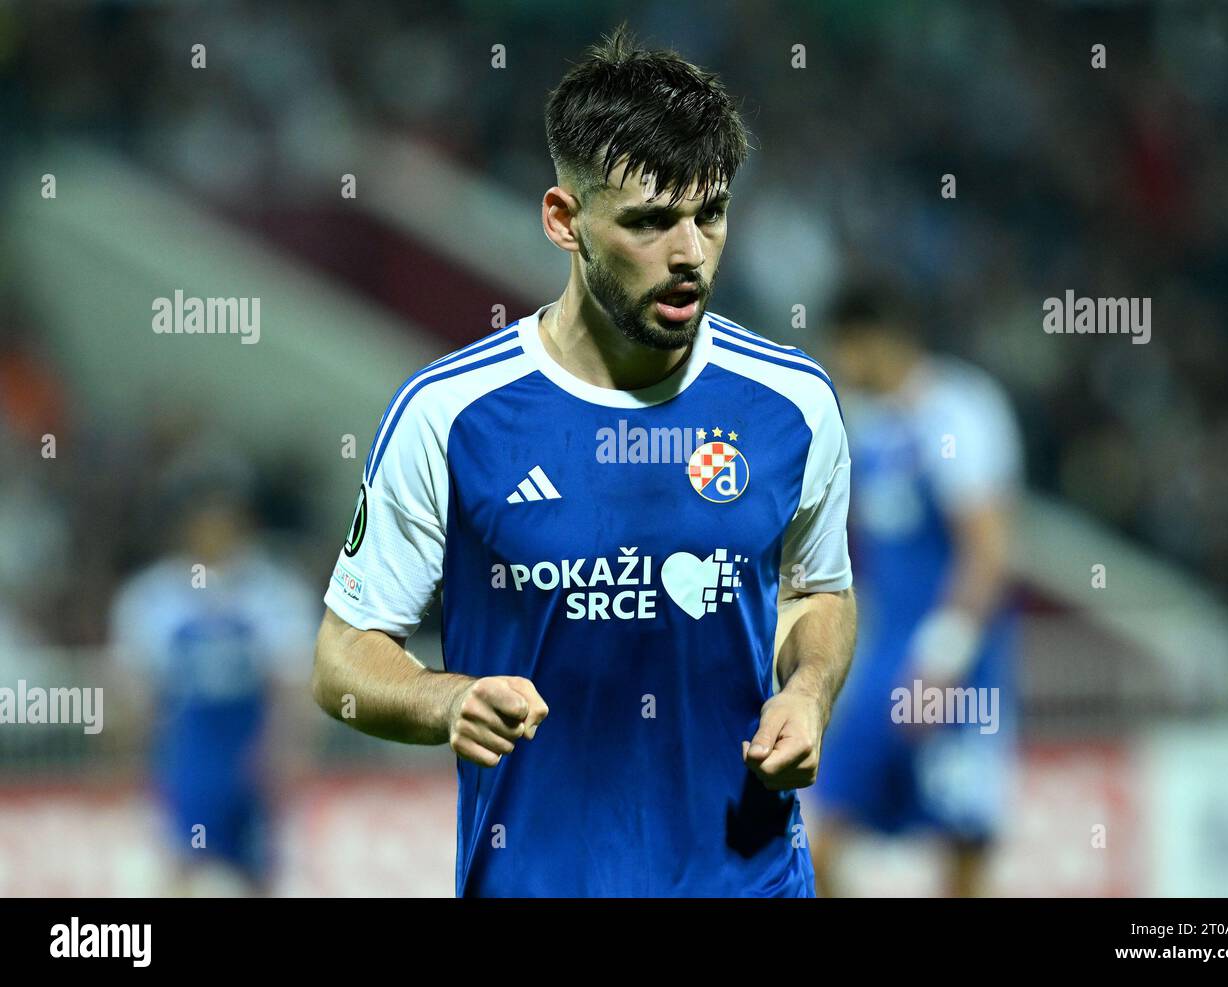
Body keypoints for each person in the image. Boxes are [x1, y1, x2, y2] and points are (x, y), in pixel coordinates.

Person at [312, 24, 857, 897]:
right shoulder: (452, 416)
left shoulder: (793, 405)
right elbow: (343, 657)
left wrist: (811, 690)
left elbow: (815, 591)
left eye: (708, 215)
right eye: (649, 222)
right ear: (565, 220)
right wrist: (445, 700)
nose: (688, 255)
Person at [810, 284, 1023, 898]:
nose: (842, 364)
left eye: (846, 349)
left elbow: (987, 547)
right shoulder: (863, 424)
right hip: (883, 658)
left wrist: (944, 656)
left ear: (877, 339)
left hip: (956, 663)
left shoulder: (957, 411)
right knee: (819, 835)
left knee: (963, 848)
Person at [110, 446, 318, 896]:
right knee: (180, 872)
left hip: (249, 757)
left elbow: (291, 683)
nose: (214, 528)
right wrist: (139, 760)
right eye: (204, 516)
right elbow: (138, 692)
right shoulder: (153, 598)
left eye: (225, 516)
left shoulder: (273, 592)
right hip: (188, 758)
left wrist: (284, 750)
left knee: (256, 874)